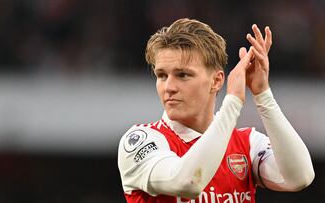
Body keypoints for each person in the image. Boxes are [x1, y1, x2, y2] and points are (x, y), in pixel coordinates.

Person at [117, 18, 314, 203]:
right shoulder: (141, 141)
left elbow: (300, 177)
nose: (169, 87)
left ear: (217, 80)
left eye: (182, 75)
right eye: (161, 75)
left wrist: (263, 95)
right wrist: (233, 101)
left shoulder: (247, 144)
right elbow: (189, 182)